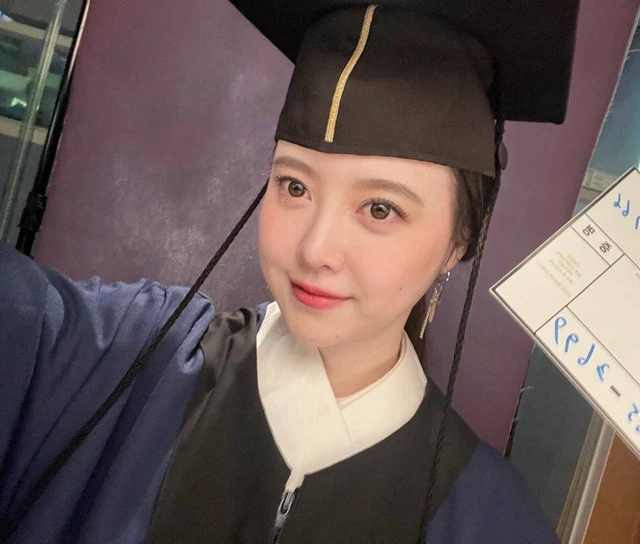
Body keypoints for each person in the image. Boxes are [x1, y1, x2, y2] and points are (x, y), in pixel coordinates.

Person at [0, 1, 579, 542]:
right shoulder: (113, 359)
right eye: (294, 186)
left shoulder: (489, 520)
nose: (315, 248)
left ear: (460, 241)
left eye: (381, 209)